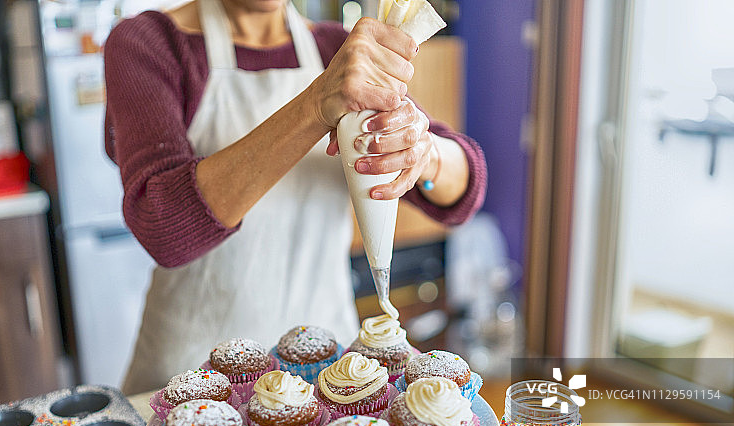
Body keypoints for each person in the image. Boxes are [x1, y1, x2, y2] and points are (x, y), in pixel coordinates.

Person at [103, 0, 487, 395]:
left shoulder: (336, 49)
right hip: (195, 380)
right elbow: (165, 225)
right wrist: (314, 105)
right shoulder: (148, 44)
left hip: (329, 375)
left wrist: (425, 153)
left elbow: (465, 187)